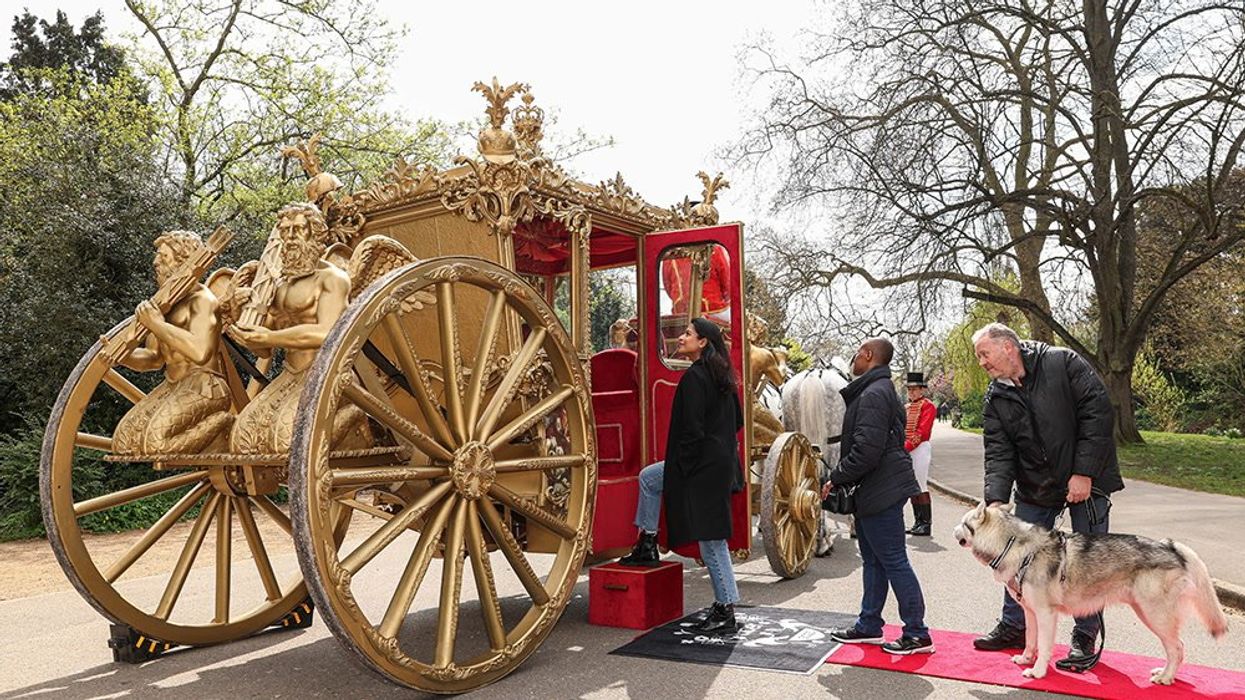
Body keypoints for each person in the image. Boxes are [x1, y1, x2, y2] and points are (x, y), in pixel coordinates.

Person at [970, 322, 1124, 666]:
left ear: (1008, 347)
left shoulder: (1061, 362)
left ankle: (1084, 636)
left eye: (984, 354)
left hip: (1087, 481)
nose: (982, 362)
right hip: (1035, 486)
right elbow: (998, 451)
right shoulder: (996, 395)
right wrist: (995, 500)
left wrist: (1083, 472)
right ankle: (1014, 627)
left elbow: (1097, 413)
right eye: (979, 356)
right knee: (1014, 555)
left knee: (1089, 561)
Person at [618, 317, 745, 634]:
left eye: (688, 334)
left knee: (711, 543)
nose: (681, 338)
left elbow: (691, 433)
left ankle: (725, 610)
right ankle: (648, 542)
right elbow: (738, 424)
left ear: (703, 342)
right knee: (650, 479)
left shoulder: (694, 379)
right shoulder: (724, 379)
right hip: (718, 466)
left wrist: (681, 474)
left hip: (699, 469)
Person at [822, 338, 934, 655]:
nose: (853, 358)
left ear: (869, 355)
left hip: (880, 488)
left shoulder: (873, 393)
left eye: (857, 353)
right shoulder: (878, 389)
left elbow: (866, 453)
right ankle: (869, 625)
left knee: (894, 561)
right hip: (878, 488)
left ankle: (917, 633)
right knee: (874, 561)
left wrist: (835, 476)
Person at [903, 372, 936, 536]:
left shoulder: (928, 405)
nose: (912, 393)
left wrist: (906, 447)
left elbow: (922, 431)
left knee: (920, 484)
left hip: (920, 448)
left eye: (915, 389)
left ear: (922, 390)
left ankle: (926, 523)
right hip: (908, 448)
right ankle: (918, 522)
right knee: (911, 486)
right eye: (909, 390)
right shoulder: (907, 407)